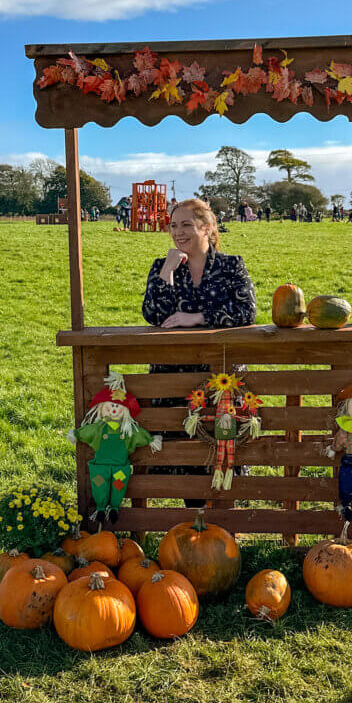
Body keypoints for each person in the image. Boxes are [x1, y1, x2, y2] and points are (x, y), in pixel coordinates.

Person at [142, 198, 257, 508]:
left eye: (186, 225)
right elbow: (154, 314)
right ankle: (194, 522)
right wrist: (167, 271)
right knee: (181, 451)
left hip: (218, 376)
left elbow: (247, 310)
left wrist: (199, 317)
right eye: (173, 225)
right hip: (173, 378)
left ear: (207, 228)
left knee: (220, 444)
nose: (178, 232)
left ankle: (223, 524)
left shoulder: (231, 265)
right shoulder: (162, 266)